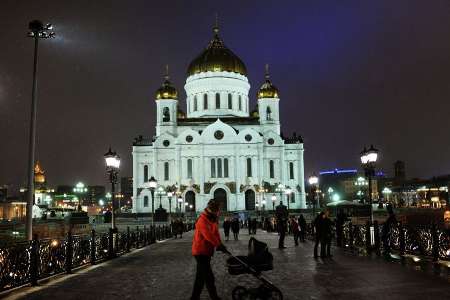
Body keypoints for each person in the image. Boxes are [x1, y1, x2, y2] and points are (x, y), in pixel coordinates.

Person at [191, 199, 227, 300]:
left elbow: (215, 233)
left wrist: (220, 244)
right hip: (200, 251)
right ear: (213, 210)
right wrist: (217, 245)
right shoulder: (202, 219)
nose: (219, 212)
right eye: (218, 210)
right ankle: (213, 297)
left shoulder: (212, 218)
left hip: (206, 252)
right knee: (208, 277)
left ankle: (196, 297)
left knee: (202, 277)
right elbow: (208, 235)